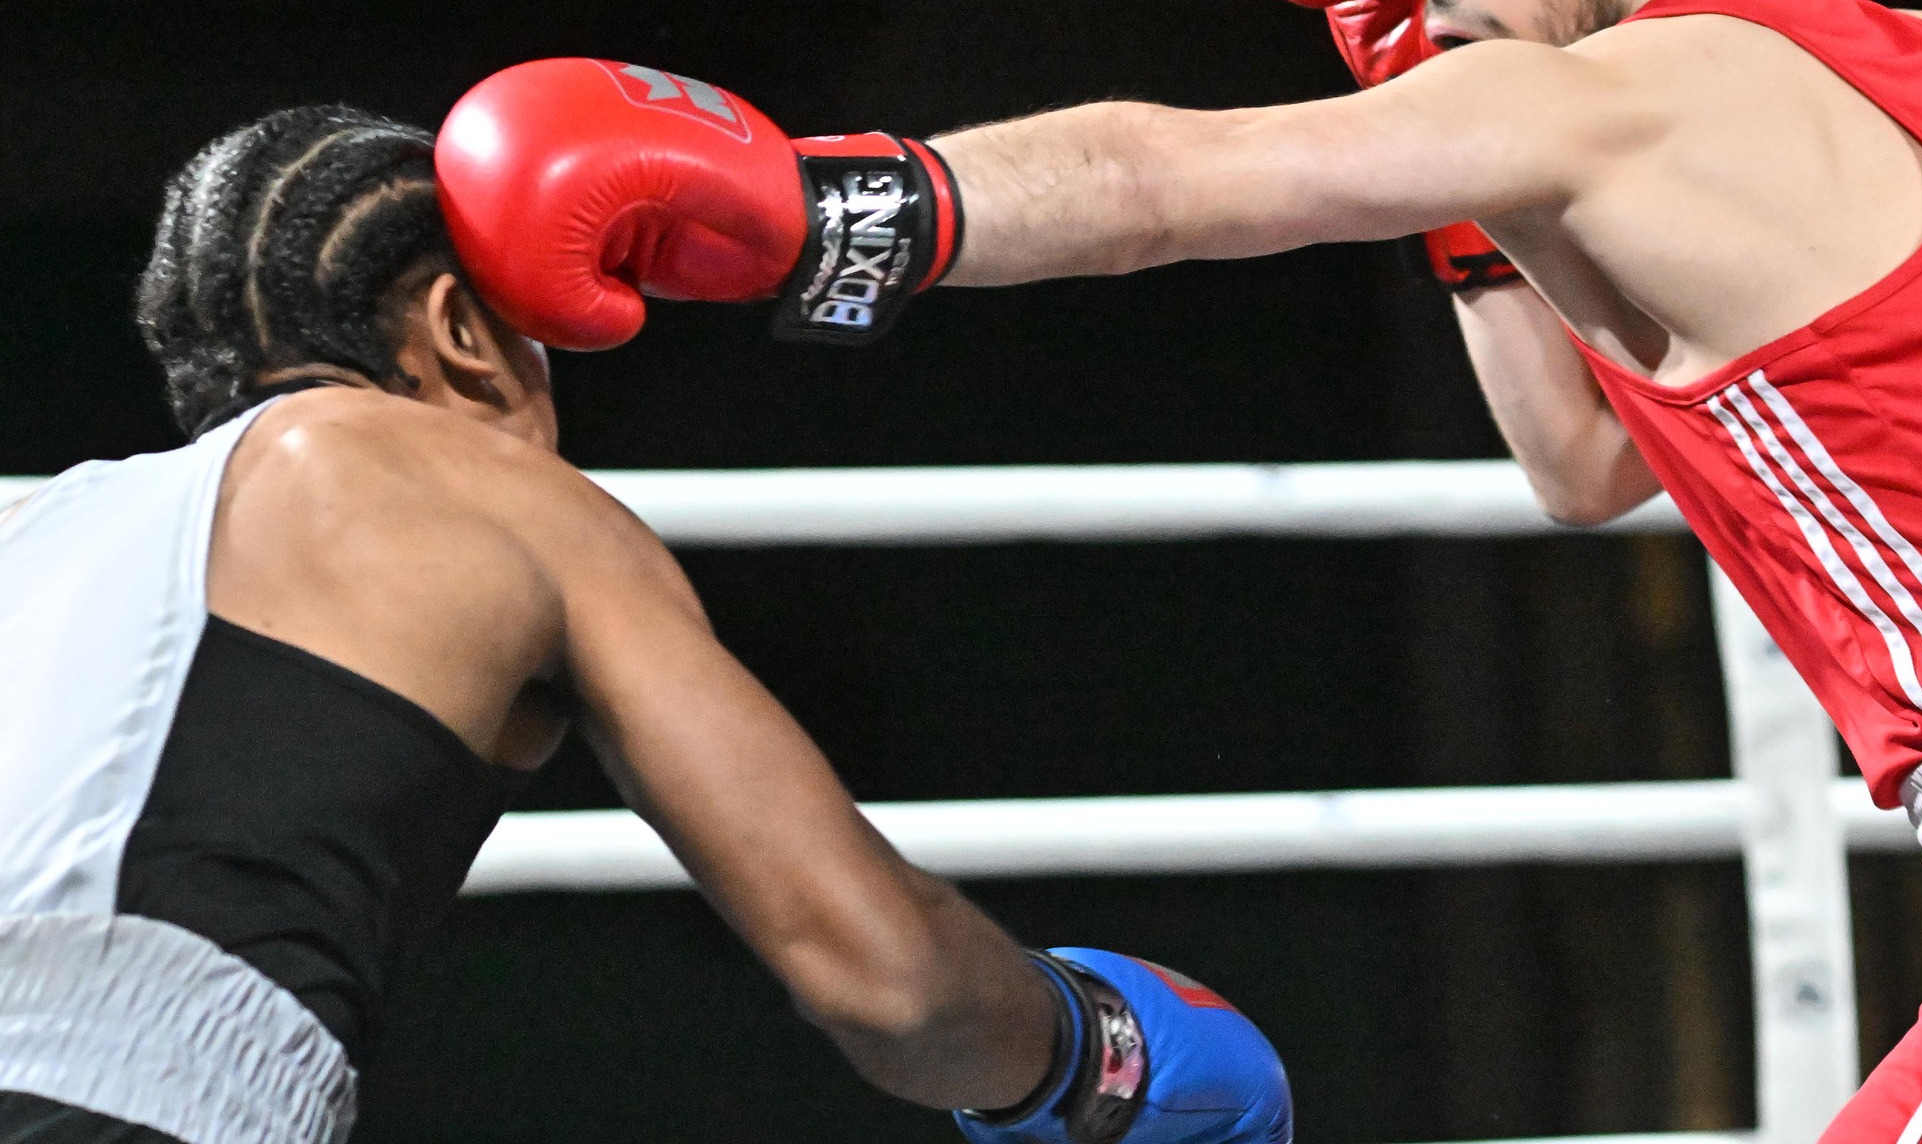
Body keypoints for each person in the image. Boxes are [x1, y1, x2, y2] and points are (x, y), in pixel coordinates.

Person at [433, 0, 1922, 1142]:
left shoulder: (1614, 97)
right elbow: (1582, 463)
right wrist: (1457, 162)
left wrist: (817, 209)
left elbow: (1169, 183)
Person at [0, 105, 1292, 1144]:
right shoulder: (486, 485)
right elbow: (889, 984)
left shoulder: (33, 529)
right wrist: (1093, 1055)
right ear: (458, 331)